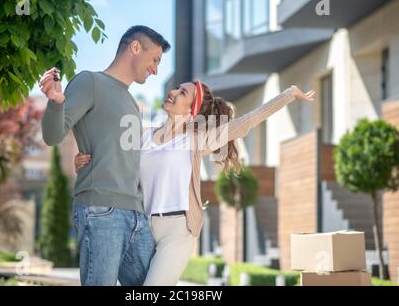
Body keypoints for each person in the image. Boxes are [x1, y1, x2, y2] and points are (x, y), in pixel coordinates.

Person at [75, 80, 316, 285]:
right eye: (177, 88)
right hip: (141, 228)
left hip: (177, 232)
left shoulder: (197, 139)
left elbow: (246, 123)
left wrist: (289, 95)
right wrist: (84, 162)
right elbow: (112, 162)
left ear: (192, 111)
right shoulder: (142, 135)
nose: (173, 92)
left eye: (183, 93)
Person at [38, 25, 171, 286]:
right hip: (101, 209)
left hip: (135, 213)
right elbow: (53, 136)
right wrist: (55, 102)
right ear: (135, 48)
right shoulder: (90, 82)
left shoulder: (132, 103)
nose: (156, 69)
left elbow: (131, 157)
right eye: (154, 59)